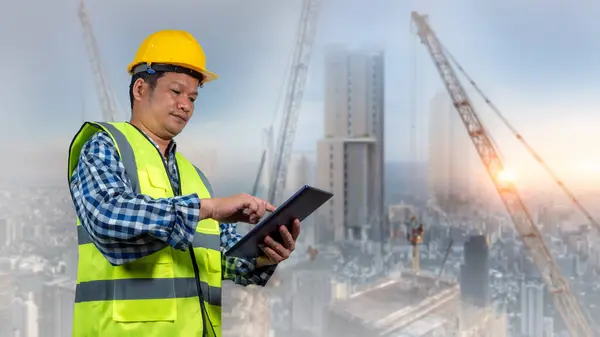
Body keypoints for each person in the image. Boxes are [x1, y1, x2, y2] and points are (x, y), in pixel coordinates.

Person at [67, 29, 301, 337]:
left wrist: (263, 252)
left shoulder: (194, 178)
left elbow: (224, 262)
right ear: (140, 89)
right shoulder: (105, 147)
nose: (186, 105)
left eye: (192, 97)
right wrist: (209, 209)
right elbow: (107, 217)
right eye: (176, 92)